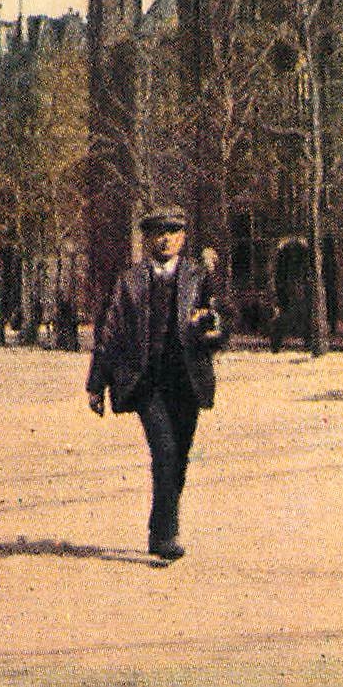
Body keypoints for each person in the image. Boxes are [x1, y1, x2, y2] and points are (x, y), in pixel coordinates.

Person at [86, 207, 233, 561]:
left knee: (178, 456)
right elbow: (110, 331)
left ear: (183, 238)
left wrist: (211, 326)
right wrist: (96, 384)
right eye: (157, 233)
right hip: (147, 381)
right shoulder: (129, 281)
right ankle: (165, 534)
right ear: (147, 239)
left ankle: (162, 527)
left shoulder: (199, 277)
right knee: (164, 451)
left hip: (187, 380)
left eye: (172, 232)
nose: (165, 239)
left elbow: (223, 323)